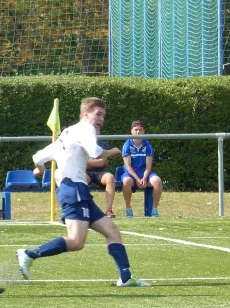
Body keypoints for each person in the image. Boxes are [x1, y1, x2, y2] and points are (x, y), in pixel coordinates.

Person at [17, 97, 150, 287]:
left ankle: (126, 277)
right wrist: (112, 151)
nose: (101, 119)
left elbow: (38, 156)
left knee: (112, 230)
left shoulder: (67, 132)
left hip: (78, 190)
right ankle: (29, 254)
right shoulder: (85, 128)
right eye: (98, 114)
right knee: (76, 241)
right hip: (73, 189)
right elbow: (95, 152)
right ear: (86, 114)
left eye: (103, 115)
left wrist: (41, 168)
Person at [121, 121, 163, 217]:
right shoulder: (127, 145)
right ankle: (128, 208)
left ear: (144, 131)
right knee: (126, 181)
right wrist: (137, 179)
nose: (138, 132)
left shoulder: (147, 145)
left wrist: (144, 178)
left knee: (157, 181)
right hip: (131, 175)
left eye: (140, 130)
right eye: (136, 130)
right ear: (131, 131)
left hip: (145, 174)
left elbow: (148, 166)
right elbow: (128, 166)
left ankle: (154, 210)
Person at [86, 125, 118, 218]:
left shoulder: (103, 145)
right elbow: (79, 162)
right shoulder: (83, 144)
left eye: (97, 130)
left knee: (110, 177)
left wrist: (86, 161)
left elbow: (102, 163)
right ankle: (84, 209)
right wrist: (94, 162)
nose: (95, 132)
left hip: (100, 172)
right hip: (86, 172)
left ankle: (109, 210)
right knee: (81, 178)